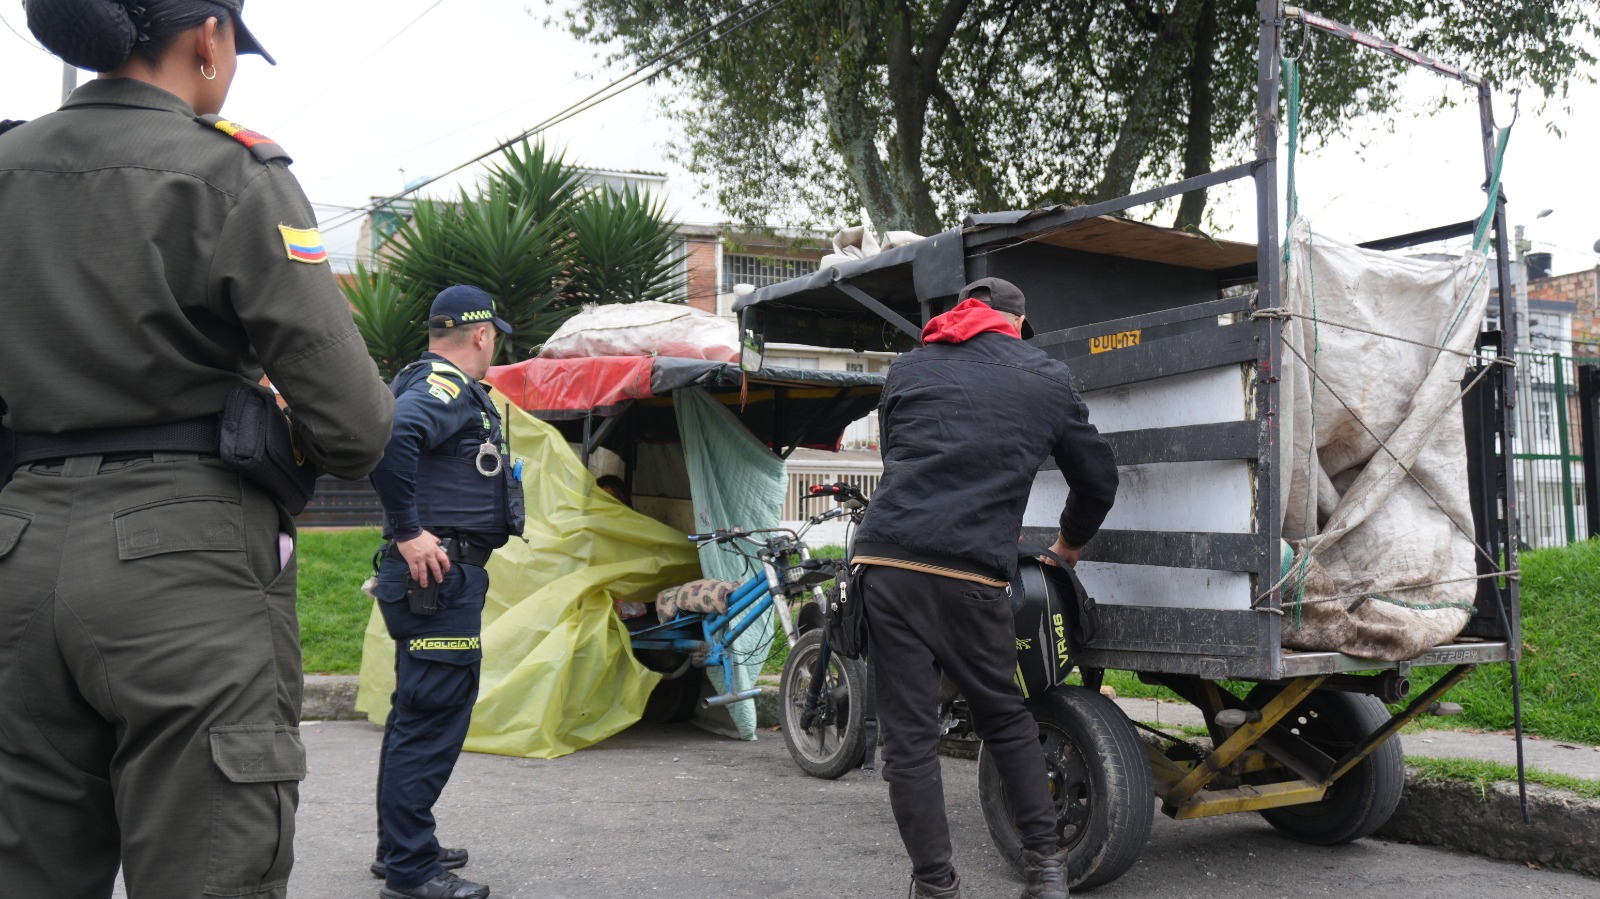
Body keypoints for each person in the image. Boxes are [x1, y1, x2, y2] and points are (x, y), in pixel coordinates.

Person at [0, 1, 395, 897]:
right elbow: (358, 425)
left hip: (14, 557)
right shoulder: (230, 172)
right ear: (208, 37)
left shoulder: (5, 169)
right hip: (187, 565)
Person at [851, 277, 1118, 899]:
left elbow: (901, 463)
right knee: (1004, 717)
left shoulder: (909, 369)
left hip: (888, 563)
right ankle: (1048, 873)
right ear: (1019, 324)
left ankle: (935, 886)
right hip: (973, 571)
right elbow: (1098, 481)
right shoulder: (1045, 376)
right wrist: (1067, 548)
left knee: (910, 741)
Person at [368, 285, 526, 899]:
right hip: (438, 578)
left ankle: (400, 849)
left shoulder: (422, 378)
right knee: (431, 718)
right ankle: (410, 873)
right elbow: (395, 439)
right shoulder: (442, 387)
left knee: (416, 713)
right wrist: (409, 534)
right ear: (482, 335)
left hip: (438, 577)